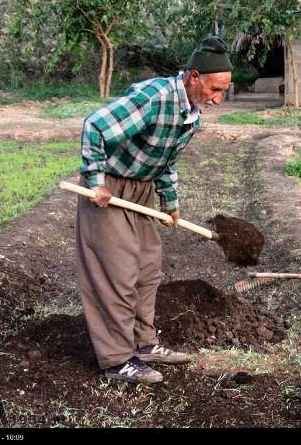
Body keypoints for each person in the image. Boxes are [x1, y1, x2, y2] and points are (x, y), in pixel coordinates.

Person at [75, 36, 233, 384]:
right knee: (117, 273)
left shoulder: (191, 114)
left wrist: (170, 203)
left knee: (147, 269)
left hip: (142, 190)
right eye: (215, 89)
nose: (218, 99)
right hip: (112, 189)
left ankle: (143, 344)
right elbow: (95, 126)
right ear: (194, 77)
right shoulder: (154, 97)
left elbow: (166, 161)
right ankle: (117, 359)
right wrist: (96, 181)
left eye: (223, 91)